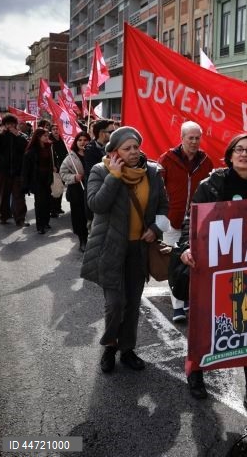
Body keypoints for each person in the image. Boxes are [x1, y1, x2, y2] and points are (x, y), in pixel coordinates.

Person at [177, 134, 247, 425]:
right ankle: (196, 373)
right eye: (239, 150)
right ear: (230, 156)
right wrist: (186, 247)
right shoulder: (212, 185)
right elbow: (190, 221)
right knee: (204, 324)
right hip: (213, 270)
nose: (244, 155)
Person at [81, 126, 170, 374]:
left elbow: (164, 205)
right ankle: (110, 346)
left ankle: (127, 349)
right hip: (109, 247)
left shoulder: (151, 172)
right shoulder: (101, 171)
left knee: (132, 303)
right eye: (127, 148)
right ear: (115, 152)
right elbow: (95, 204)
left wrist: (154, 228)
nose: (133, 152)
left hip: (138, 249)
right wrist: (114, 176)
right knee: (115, 303)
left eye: (136, 147)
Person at [158, 121, 214, 322]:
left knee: (193, 260)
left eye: (197, 138)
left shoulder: (206, 161)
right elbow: (157, 190)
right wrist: (159, 217)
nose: (194, 141)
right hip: (172, 219)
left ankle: (188, 297)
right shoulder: (167, 159)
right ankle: (178, 306)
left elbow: (211, 190)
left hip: (196, 221)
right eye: (190, 137)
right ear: (181, 138)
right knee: (175, 262)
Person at [0, 114, 28, 226]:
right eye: (8, 124)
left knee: (19, 197)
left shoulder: (21, 136)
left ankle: (20, 218)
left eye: (12, 124)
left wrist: (17, 135)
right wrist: (0, 134)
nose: (10, 126)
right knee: (3, 195)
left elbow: (26, 147)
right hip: (3, 172)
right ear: (4, 125)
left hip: (17, 172)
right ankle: (4, 216)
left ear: (16, 125)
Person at [59, 131, 92, 251]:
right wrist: (74, 177)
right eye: (80, 140)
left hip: (91, 188)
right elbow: (62, 174)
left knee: (90, 215)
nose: (83, 142)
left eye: (85, 140)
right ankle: (82, 240)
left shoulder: (92, 154)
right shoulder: (70, 157)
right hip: (77, 190)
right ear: (76, 142)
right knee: (79, 216)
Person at [22, 128, 55, 234]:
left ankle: (46, 222)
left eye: (47, 135)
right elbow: (26, 169)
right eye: (44, 136)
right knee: (40, 203)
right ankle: (40, 225)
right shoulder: (31, 151)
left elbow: (50, 163)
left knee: (48, 201)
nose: (47, 137)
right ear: (38, 137)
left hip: (47, 178)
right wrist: (25, 184)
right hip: (37, 179)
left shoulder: (49, 147)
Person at [84, 119, 117, 222]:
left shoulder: (115, 148)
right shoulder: (90, 150)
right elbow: (95, 175)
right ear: (102, 134)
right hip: (97, 195)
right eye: (112, 132)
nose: (114, 135)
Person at [49, 124, 69, 218]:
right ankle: (53, 209)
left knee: (60, 187)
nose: (56, 131)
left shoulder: (63, 140)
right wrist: (53, 165)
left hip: (63, 166)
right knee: (54, 188)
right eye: (54, 129)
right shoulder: (50, 141)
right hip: (54, 167)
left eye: (57, 129)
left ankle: (58, 207)